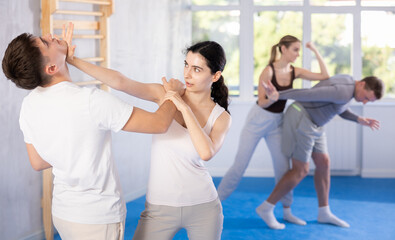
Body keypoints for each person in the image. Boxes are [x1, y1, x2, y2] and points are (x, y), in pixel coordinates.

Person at [1, 23, 184, 240]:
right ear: (51, 68)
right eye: (46, 42)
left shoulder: (29, 104)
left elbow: (38, 162)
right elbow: (159, 124)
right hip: (97, 218)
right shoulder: (90, 101)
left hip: (63, 212)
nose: (51, 36)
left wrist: (71, 149)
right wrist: (173, 94)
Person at [67, 40, 232, 240]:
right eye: (186, 64)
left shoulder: (221, 117)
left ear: (215, 76)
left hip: (204, 207)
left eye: (197, 69)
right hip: (159, 208)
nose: (187, 74)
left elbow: (206, 153)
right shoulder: (164, 94)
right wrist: (73, 60)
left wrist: (182, 106)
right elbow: (121, 82)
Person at [217, 35, 329, 229]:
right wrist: (273, 98)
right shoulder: (268, 71)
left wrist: (316, 50)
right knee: (239, 166)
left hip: (277, 123)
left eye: (299, 50)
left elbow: (324, 76)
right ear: (283, 49)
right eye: (295, 49)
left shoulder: (296, 71)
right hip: (258, 121)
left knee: (283, 169)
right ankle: (213, 207)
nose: (298, 53)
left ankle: (286, 211)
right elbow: (262, 101)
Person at [261, 74, 384, 228]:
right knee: (301, 170)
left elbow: (340, 107)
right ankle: (267, 207)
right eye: (366, 97)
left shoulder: (349, 84)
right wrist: (279, 95)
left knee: (324, 163)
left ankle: (324, 212)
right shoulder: (343, 91)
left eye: (368, 101)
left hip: (316, 124)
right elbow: (308, 94)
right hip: (301, 116)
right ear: (362, 84)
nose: (364, 102)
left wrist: (358, 119)